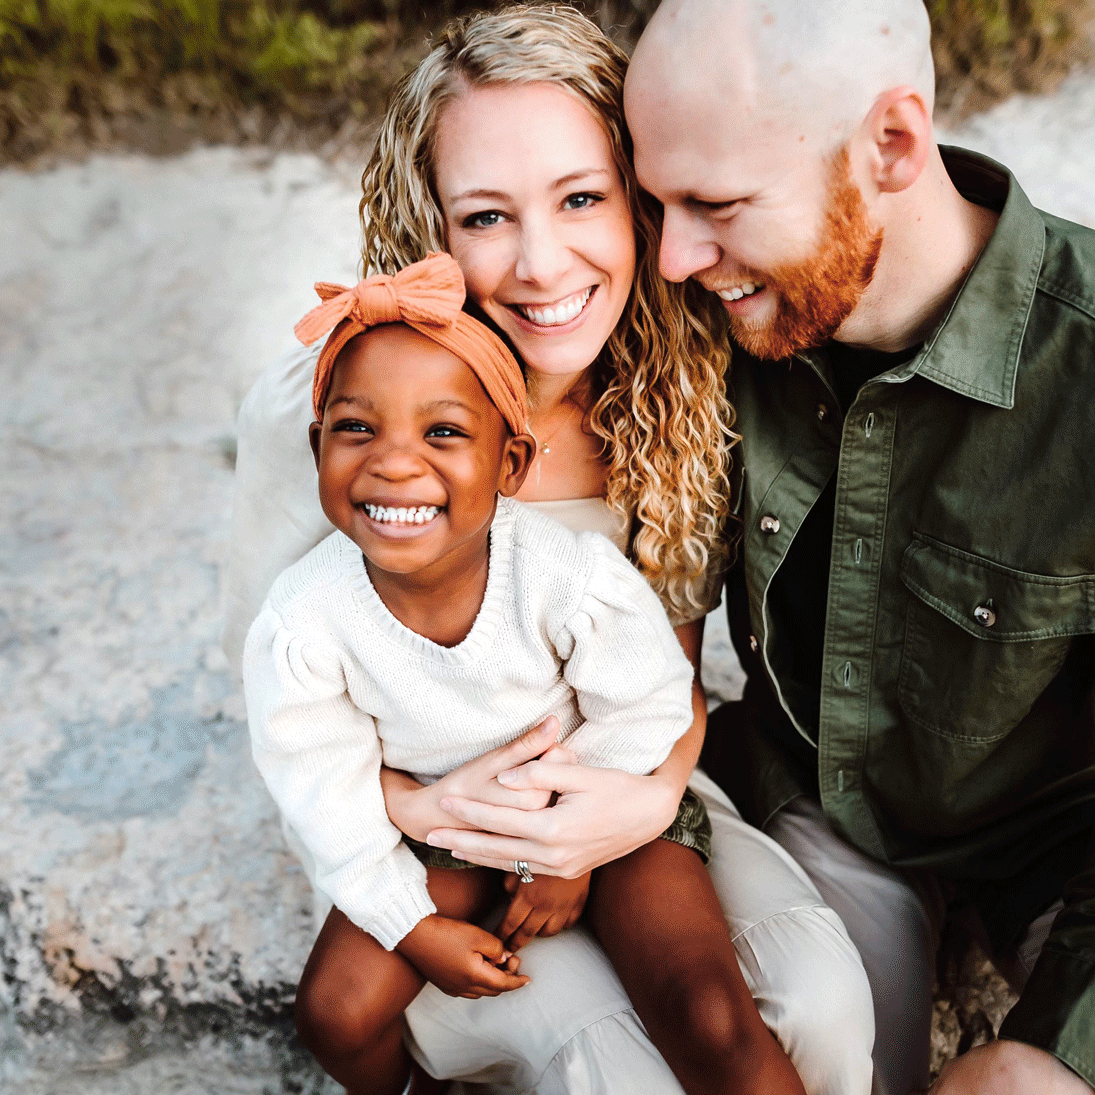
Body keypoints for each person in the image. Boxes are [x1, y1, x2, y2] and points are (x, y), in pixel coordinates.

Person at [223, 6, 875, 1095]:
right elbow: (287, 697)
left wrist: (636, 798)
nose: (540, 264)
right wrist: (425, 814)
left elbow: (660, 667)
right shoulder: (330, 417)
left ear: (637, 197)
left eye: (581, 198)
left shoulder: (677, 388)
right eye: (485, 215)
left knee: (810, 1004)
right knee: (613, 1065)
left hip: (619, 783)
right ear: (428, 226)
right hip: (417, 814)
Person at [620, 1, 1095, 1094]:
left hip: (1066, 841)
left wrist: (1050, 1056)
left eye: (718, 205)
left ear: (891, 143)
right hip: (819, 798)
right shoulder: (705, 314)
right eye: (657, 202)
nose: (678, 256)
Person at [246, 251, 814, 1095]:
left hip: (602, 807)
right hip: (445, 827)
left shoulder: (565, 575)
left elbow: (650, 700)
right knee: (335, 1008)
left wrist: (569, 847)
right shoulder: (304, 618)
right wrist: (411, 926)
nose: (394, 463)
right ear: (316, 443)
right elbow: (321, 784)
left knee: (706, 1011)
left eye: (442, 432)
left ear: (510, 464)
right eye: (357, 428)